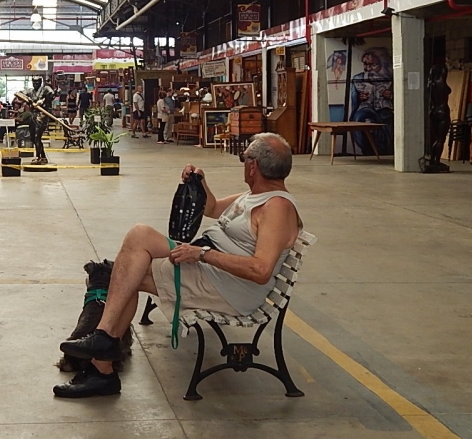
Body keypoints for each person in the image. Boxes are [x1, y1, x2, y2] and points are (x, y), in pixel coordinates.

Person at [54, 133, 302, 398]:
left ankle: (103, 356)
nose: (243, 163)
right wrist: (200, 182)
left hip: (227, 288)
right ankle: (102, 357)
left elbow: (260, 271)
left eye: (245, 158)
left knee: (133, 255)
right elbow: (213, 208)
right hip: (212, 273)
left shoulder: (277, 208)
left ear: (253, 166)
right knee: (130, 265)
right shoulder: (255, 196)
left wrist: (203, 254)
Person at [21, 76, 56, 165]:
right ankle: (43, 157)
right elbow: (20, 93)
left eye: (37, 83)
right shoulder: (31, 91)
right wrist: (27, 99)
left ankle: (38, 157)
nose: (35, 84)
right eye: (34, 83)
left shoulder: (45, 89)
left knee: (37, 136)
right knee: (33, 138)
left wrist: (43, 100)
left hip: (42, 115)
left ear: (40, 82)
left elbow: (52, 95)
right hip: (33, 115)